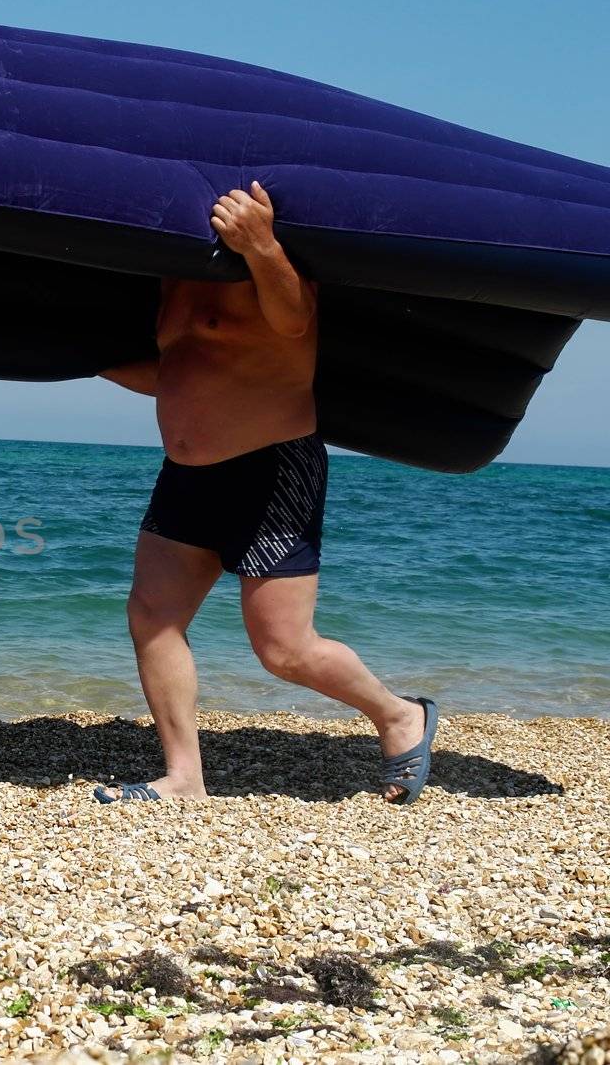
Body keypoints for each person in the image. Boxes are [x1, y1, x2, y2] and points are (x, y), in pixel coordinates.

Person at [95, 181, 436, 805]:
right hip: (186, 477)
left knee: (284, 650)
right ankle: (184, 778)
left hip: (271, 469)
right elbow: (181, 369)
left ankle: (398, 715)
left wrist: (260, 244)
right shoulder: (172, 276)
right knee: (152, 616)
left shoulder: (267, 259)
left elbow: (294, 322)